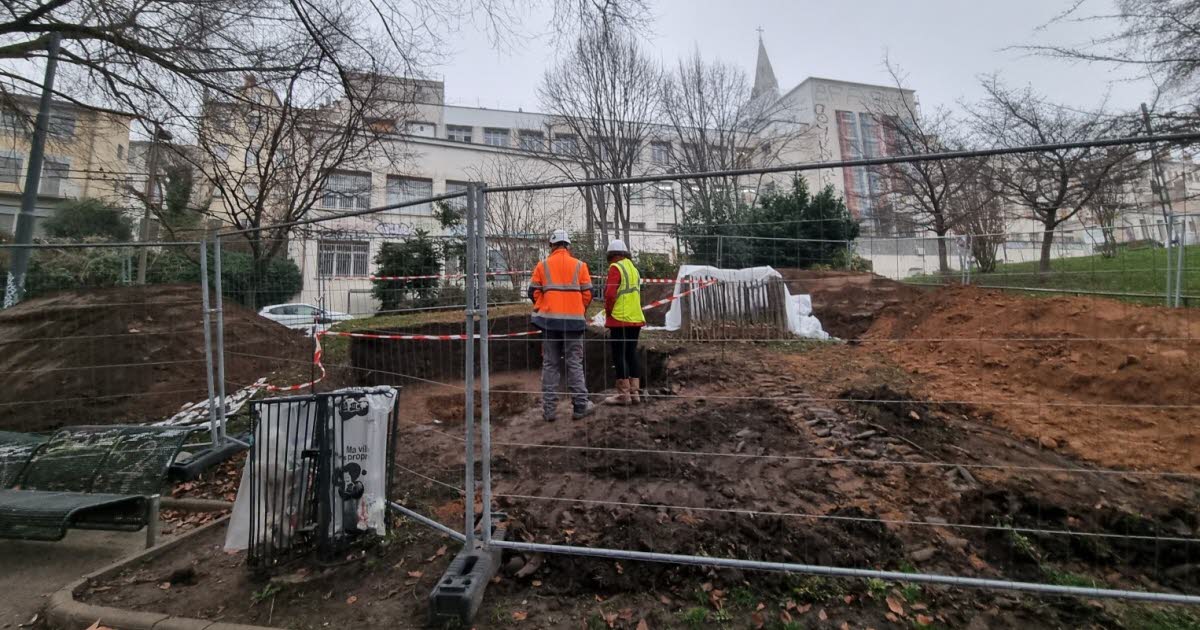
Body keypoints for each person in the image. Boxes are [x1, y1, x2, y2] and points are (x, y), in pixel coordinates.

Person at [528, 229, 595, 421]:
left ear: (552, 246)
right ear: (568, 245)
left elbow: (533, 292)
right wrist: (578, 309)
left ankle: (549, 411)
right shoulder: (580, 265)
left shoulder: (543, 265)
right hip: (574, 324)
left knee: (550, 364)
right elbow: (588, 293)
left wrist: (544, 307)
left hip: (550, 323)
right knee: (574, 363)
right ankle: (580, 407)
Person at [601, 239, 645, 405]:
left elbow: (610, 294)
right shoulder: (633, 269)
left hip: (620, 318)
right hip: (635, 318)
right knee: (631, 354)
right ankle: (635, 394)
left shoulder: (615, 267)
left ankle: (623, 395)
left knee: (619, 355)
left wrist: (609, 313)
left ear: (611, 256)